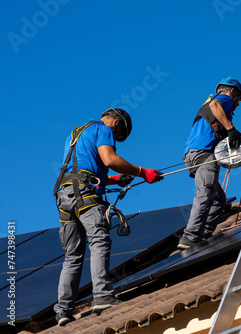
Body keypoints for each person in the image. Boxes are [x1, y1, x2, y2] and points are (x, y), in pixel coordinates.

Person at [52, 108, 163, 326]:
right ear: (116, 123)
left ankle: (63, 310)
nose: (116, 138)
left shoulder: (76, 133)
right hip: (84, 193)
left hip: (64, 195)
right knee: (99, 240)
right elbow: (109, 159)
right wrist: (142, 172)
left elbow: (83, 165)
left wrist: (113, 180)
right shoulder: (104, 129)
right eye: (119, 134)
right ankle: (102, 295)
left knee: (73, 256)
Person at [178, 77, 241, 249]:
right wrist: (231, 129)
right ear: (233, 91)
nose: (236, 105)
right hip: (204, 152)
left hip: (191, 154)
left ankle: (204, 235)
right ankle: (190, 236)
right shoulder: (223, 99)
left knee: (217, 198)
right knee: (206, 192)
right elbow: (216, 106)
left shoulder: (206, 107)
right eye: (238, 100)